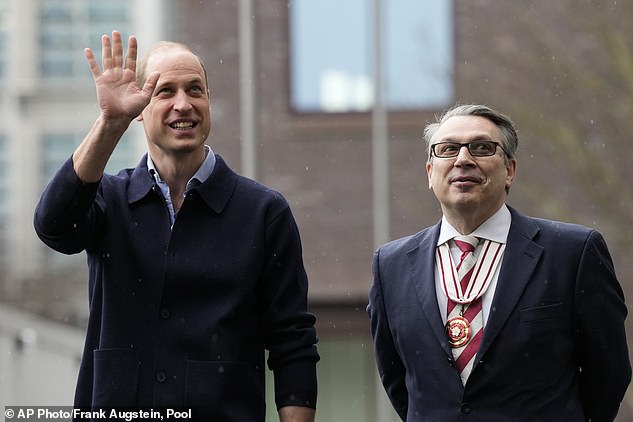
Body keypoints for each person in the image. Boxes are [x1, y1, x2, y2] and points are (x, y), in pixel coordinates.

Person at [33, 31, 318, 422]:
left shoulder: (263, 213)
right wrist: (110, 123)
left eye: (195, 90)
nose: (183, 104)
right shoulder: (109, 201)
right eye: (165, 91)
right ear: (140, 109)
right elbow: (53, 225)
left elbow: (293, 344)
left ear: (209, 102)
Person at [367, 104, 631, 421]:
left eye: (481, 148)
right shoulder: (391, 266)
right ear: (429, 173)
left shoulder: (571, 254)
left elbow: (608, 372)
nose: (463, 159)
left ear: (509, 170)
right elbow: (400, 382)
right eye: (448, 149)